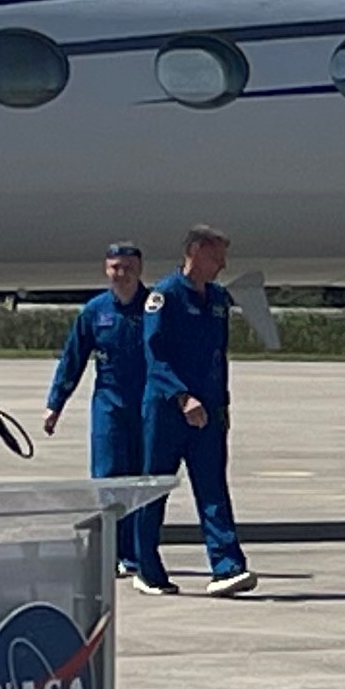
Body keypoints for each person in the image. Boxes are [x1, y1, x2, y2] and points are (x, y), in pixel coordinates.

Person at [145, 224, 270, 598]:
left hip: (208, 413)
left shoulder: (217, 299)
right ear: (196, 252)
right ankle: (148, 568)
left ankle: (227, 566)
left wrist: (221, 406)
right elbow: (154, 356)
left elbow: (219, 359)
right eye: (217, 256)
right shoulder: (164, 297)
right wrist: (182, 397)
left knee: (213, 488)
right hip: (169, 411)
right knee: (155, 489)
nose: (222, 265)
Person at [44, 240, 170, 591]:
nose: (122, 274)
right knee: (108, 480)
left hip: (148, 405)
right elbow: (73, 358)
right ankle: (109, 552)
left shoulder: (156, 307)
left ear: (140, 269)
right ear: (106, 269)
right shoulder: (95, 311)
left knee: (142, 482)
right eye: (115, 267)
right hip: (109, 406)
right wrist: (56, 403)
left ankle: (136, 555)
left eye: (128, 267)